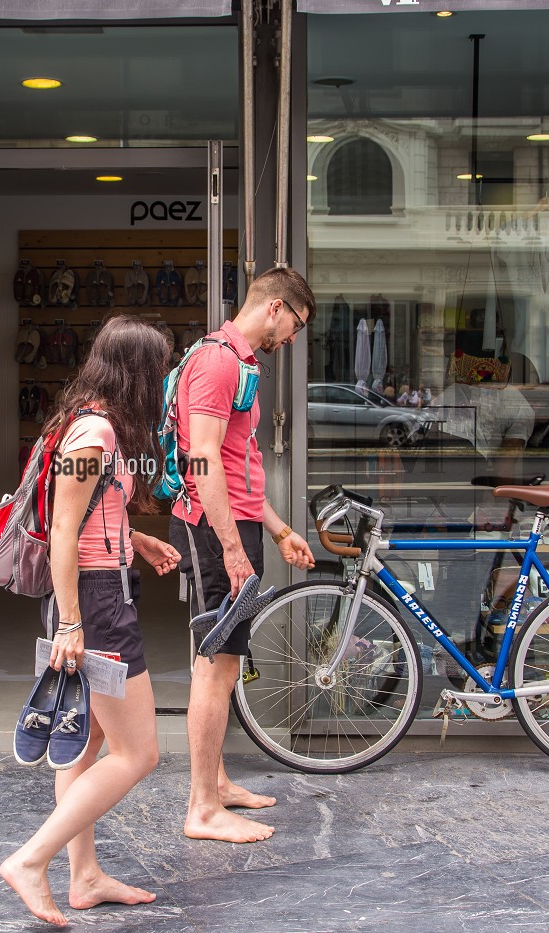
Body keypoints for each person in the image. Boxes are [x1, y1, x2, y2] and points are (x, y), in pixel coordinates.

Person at [0, 316, 183, 927]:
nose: (165, 382)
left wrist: (138, 541)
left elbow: (90, 513)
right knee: (140, 752)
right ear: (138, 372)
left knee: (89, 744)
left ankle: (84, 876)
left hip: (100, 593)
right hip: (96, 604)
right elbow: (62, 530)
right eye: (160, 370)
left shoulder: (89, 422)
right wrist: (72, 623)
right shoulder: (95, 433)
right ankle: (31, 861)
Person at [168, 267, 318, 845]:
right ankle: (202, 808)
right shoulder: (218, 362)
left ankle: (217, 783)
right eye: (297, 324)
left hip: (234, 526)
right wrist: (232, 548)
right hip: (214, 531)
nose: (294, 338)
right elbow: (203, 460)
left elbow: (239, 464)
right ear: (276, 307)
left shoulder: (239, 361)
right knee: (217, 665)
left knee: (225, 663)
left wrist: (278, 531)